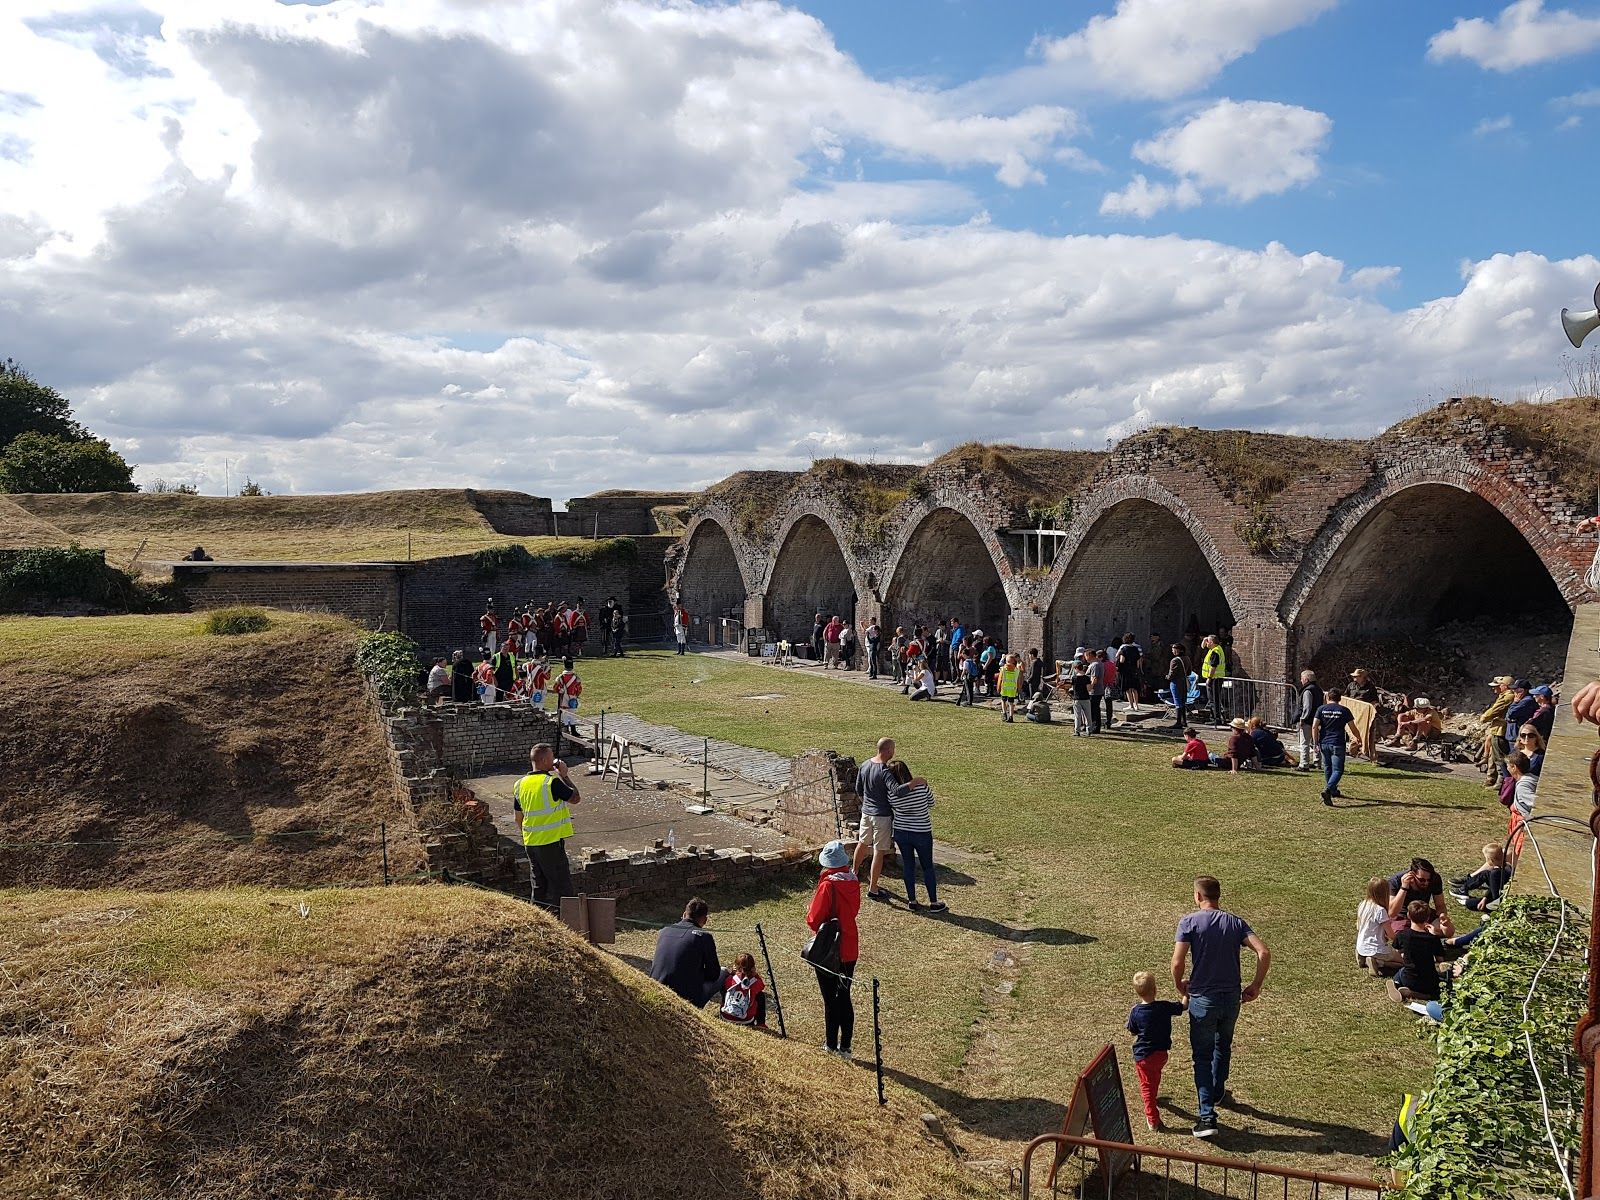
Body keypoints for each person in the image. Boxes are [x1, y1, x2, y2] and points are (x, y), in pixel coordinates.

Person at [1172, 876, 1271, 1139]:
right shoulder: (1235, 922)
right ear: (1218, 895)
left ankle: (1207, 1117)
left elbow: (1178, 963)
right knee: (1222, 1045)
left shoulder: (1189, 923)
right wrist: (1256, 985)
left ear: (1197, 896)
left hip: (1203, 1000)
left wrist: (1179, 984)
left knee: (1202, 1056)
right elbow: (1263, 952)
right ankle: (1217, 1091)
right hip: (1231, 999)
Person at [807, 841, 862, 1057]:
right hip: (848, 943)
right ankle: (846, 1045)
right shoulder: (853, 881)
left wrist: (809, 911)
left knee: (830, 998)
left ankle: (830, 1044)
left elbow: (814, 920)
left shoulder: (828, 885)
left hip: (830, 947)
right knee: (844, 995)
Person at [515, 742, 581, 906]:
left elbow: (518, 818)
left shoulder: (520, 784)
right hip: (550, 843)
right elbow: (575, 798)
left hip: (530, 843)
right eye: (552, 758)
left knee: (538, 887)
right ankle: (565, 924)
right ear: (544, 760)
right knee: (562, 887)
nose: (554, 761)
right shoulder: (551, 782)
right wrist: (564, 775)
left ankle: (539, 923)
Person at [1127, 971, 1187, 1132]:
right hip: (1161, 1054)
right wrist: (1185, 992)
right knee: (1155, 1076)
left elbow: (1132, 1031)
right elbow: (1183, 1006)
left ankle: (1152, 1119)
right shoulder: (1164, 1007)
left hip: (1144, 1057)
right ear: (1155, 990)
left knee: (1146, 1085)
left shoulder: (1136, 1012)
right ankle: (1154, 1097)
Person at [887, 759, 945, 912]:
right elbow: (931, 803)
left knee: (908, 865)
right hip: (921, 831)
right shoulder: (920, 787)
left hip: (901, 831)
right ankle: (934, 902)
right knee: (927, 867)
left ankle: (912, 900)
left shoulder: (892, 793)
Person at [650, 897, 725, 1007]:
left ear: (684, 914)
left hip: (656, 990)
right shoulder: (704, 937)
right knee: (725, 972)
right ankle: (730, 1012)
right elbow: (713, 974)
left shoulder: (664, 931)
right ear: (705, 920)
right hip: (687, 1000)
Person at [852, 738, 896, 902]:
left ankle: (854, 874)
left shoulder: (865, 765)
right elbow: (895, 791)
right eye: (893, 749)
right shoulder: (885, 770)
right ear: (887, 750)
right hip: (882, 815)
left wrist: (867, 805)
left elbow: (858, 789)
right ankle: (873, 888)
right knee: (879, 850)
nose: (894, 752)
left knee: (862, 843)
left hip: (867, 813)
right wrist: (913, 785)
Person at [1387, 901, 1446, 1005]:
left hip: (1409, 978)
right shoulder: (1432, 939)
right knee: (1435, 987)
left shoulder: (1402, 935)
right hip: (1430, 982)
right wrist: (1434, 934)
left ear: (1408, 915)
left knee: (1400, 972)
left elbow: (1397, 951)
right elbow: (1440, 959)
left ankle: (1395, 984)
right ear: (1428, 918)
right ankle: (1425, 995)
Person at [1312, 687, 1356, 806]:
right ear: (1340, 699)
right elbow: (1352, 727)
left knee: (1328, 767)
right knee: (1338, 770)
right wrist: (1359, 738)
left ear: (1327, 697)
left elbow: (1314, 726)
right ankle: (1328, 789)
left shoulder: (1321, 709)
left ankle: (1332, 791)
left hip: (1324, 742)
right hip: (1337, 743)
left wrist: (1315, 742)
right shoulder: (1344, 710)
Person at [1357, 877, 1404, 975]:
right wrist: (1400, 942)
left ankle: (1364, 957)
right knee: (1404, 962)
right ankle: (1379, 963)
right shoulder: (1380, 911)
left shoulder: (1363, 904)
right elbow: (1391, 935)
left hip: (1361, 945)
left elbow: (1358, 926)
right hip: (1376, 948)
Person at [1449, 844, 1511, 913]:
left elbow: (1496, 895)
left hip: (1497, 901)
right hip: (1498, 891)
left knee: (1469, 903)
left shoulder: (1495, 874)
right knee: (1485, 873)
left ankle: (1470, 899)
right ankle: (1463, 889)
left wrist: (1485, 899)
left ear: (1491, 860)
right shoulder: (1507, 867)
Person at [1386, 858, 1446, 926]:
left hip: (1423, 914)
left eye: (1429, 880)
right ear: (1412, 875)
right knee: (1402, 935)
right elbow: (1392, 913)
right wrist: (1404, 888)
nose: (1426, 883)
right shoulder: (1396, 881)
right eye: (1422, 880)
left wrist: (1442, 918)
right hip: (1402, 916)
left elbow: (1440, 905)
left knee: (1444, 930)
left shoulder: (1435, 878)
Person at [1478, 676, 1515, 786]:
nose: (1495, 689)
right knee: (1494, 755)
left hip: (1501, 729)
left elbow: (1494, 710)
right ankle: (1493, 778)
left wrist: (1484, 717)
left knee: (1499, 757)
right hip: (1498, 728)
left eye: (1498, 686)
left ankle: (1501, 781)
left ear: (1505, 686)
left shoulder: (1507, 697)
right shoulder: (1505, 696)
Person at [718, 953, 768, 1028]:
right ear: (753, 968)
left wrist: (732, 973)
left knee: (726, 990)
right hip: (746, 1020)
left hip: (726, 1017)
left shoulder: (730, 979)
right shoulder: (755, 982)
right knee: (760, 995)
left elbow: (726, 984)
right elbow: (762, 986)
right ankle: (761, 1023)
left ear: (736, 967)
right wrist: (756, 975)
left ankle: (725, 1008)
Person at [1295, 669, 1324, 772]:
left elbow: (1307, 707)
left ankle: (1304, 764)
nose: (1301, 681)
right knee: (1316, 742)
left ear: (1306, 679)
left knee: (1304, 743)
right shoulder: (1319, 689)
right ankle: (1317, 762)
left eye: (1302, 679)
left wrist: (1303, 718)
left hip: (1308, 721)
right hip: (1317, 720)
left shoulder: (1307, 691)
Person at [1200, 635, 1227, 726]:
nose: (1206, 643)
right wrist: (1204, 639)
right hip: (1217, 678)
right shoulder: (1216, 649)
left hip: (1214, 678)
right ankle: (1216, 717)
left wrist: (1209, 678)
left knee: (1213, 700)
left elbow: (1213, 667)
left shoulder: (1215, 652)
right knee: (1214, 699)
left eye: (1207, 641)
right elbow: (1202, 646)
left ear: (1211, 642)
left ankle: (1216, 719)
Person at [1117, 635, 1144, 717]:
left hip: (1126, 670)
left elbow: (1122, 660)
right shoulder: (1136, 649)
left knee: (1127, 688)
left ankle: (1131, 705)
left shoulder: (1124, 649)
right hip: (1134, 670)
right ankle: (1137, 705)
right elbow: (1138, 661)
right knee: (1135, 688)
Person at [1166, 643, 1190, 730]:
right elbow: (1189, 672)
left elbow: (1172, 673)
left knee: (1177, 701)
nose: (1172, 651)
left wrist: (1167, 677)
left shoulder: (1174, 660)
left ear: (1179, 650)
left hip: (1176, 682)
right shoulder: (1187, 658)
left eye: (1174, 649)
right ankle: (1184, 721)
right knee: (1183, 701)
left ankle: (1178, 722)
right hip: (1184, 681)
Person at [998, 652, 1021, 723]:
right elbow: (1018, 680)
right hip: (1012, 689)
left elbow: (1000, 679)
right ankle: (1011, 716)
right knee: (1011, 703)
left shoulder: (1003, 669)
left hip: (1004, 688)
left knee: (1003, 701)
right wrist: (1018, 689)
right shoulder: (1016, 670)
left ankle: (1004, 713)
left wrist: (998, 688)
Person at [1086, 649, 1105, 733]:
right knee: (1095, 708)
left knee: (1093, 709)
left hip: (1095, 690)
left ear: (1090, 655)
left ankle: (1095, 726)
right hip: (1098, 690)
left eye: (1086, 655)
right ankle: (1093, 726)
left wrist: (1090, 688)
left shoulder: (1095, 665)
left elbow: (1094, 678)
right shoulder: (1098, 663)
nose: (1085, 658)